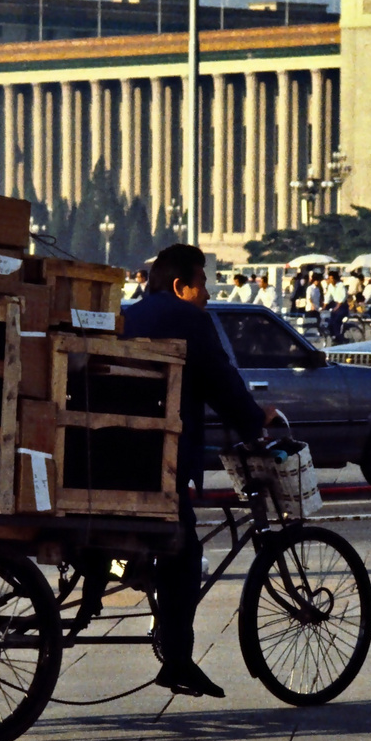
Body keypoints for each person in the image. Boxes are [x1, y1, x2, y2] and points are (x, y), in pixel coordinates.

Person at [121, 244, 275, 698]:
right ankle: (178, 659)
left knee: (166, 547)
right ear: (180, 286)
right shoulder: (191, 321)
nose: (207, 294)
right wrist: (253, 420)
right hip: (159, 463)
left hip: (111, 462)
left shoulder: (128, 317)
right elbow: (222, 382)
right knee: (183, 556)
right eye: (202, 284)